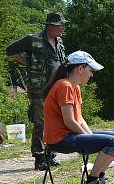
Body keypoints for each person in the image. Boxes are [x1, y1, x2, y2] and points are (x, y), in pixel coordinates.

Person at [43, 51, 114, 184]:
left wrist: (90, 136)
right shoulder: (64, 86)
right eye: (90, 70)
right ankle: (91, 183)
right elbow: (69, 121)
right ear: (80, 68)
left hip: (70, 134)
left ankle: (99, 179)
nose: (91, 75)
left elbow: (79, 118)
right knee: (111, 141)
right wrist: (90, 137)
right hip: (59, 138)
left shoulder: (76, 87)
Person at [5, 12, 68, 171]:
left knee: (54, 121)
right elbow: (10, 50)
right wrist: (28, 62)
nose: (63, 28)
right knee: (40, 122)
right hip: (39, 88)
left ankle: (50, 153)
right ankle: (39, 157)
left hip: (56, 88)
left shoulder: (59, 41)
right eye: (61, 25)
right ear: (51, 26)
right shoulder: (32, 39)